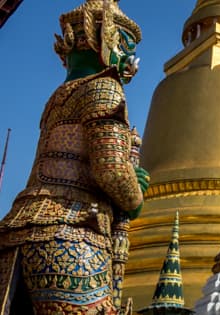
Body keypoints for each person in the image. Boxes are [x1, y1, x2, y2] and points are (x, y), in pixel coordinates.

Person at [0, 1, 148, 314]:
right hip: (69, 236)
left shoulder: (57, 98)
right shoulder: (105, 89)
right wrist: (135, 199)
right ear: (108, 41)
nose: (131, 62)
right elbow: (111, 170)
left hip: (15, 232)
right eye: (126, 49)